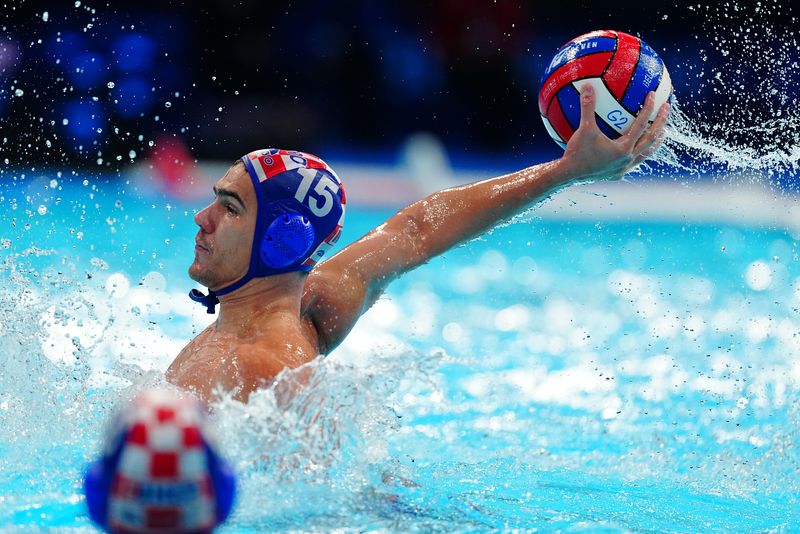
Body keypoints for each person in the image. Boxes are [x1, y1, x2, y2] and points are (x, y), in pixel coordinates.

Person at [166, 85, 669, 402]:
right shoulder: (317, 297)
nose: (202, 218)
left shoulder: (270, 369)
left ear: (281, 239)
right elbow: (418, 227)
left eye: (229, 208)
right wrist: (564, 171)